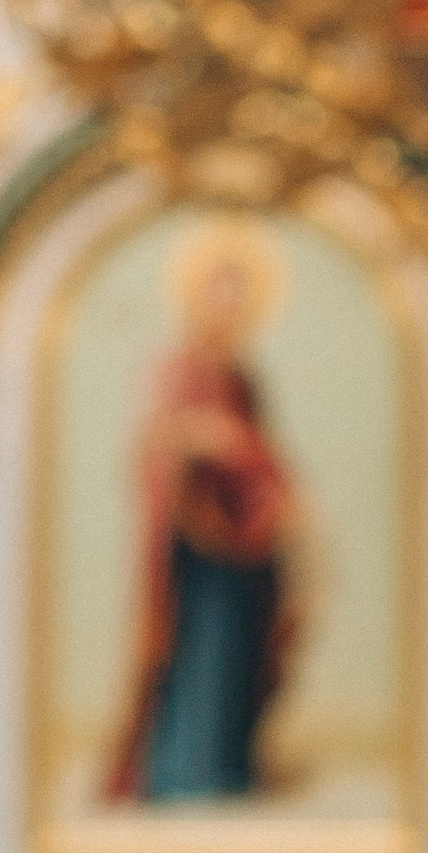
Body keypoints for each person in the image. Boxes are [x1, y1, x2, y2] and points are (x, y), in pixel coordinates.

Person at [107, 235, 301, 803]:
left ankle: (229, 770)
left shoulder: (240, 374)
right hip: (198, 541)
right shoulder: (179, 367)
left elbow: (258, 447)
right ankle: (182, 775)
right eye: (221, 292)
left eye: (240, 295)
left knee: (242, 654)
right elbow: (158, 440)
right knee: (199, 654)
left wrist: (272, 492)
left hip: (245, 542)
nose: (231, 305)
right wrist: (209, 441)